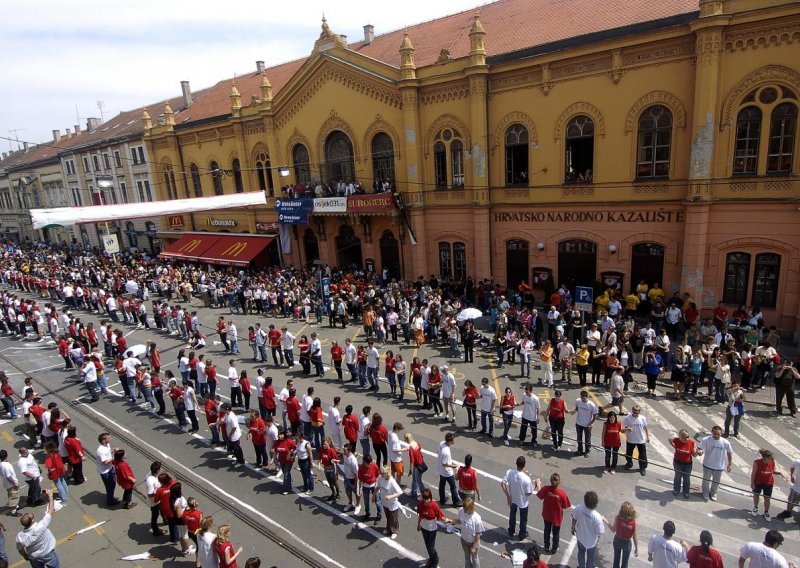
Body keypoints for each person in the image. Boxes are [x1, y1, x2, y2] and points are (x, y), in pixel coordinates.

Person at [15, 489, 60, 568]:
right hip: (47, 553)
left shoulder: (20, 536)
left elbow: (20, 549)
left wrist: (25, 556)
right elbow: (50, 511)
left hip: (33, 557)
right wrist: (50, 496)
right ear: (32, 520)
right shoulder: (40, 526)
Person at [501, 455, 540, 542]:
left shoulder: (510, 472)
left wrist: (508, 496)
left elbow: (503, 484)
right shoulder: (527, 479)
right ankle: (522, 534)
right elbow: (528, 493)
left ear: (516, 463)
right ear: (524, 465)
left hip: (513, 499)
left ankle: (511, 530)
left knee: (512, 515)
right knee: (523, 519)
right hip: (523, 502)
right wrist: (534, 486)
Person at [536, 472, 571, 555]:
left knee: (547, 530)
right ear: (559, 482)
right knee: (556, 533)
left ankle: (546, 546)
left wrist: (538, 484)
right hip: (557, 517)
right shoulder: (562, 493)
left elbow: (539, 495)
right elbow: (565, 506)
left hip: (547, 514)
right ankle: (554, 548)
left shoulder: (546, 489)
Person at [750, 449, 788, 522]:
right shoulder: (757, 462)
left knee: (767, 498)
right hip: (758, 482)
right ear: (764, 458)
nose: (771, 460)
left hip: (768, 482)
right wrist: (752, 483)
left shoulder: (772, 462)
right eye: (769, 458)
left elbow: (772, 471)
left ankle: (766, 512)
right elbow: (753, 473)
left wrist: (781, 473)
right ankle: (755, 507)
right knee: (756, 495)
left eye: (771, 458)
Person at [698, 425, 733, 502]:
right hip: (707, 464)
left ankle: (713, 493)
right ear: (712, 432)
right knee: (706, 480)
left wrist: (729, 464)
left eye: (718, 434)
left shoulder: (725, 442)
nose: (716, 435)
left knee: (716, 482)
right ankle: (705, 492)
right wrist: (699, 452)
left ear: (721, 433)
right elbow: (700, 448)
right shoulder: (706, 440)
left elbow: (729, 452)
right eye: (715, 433)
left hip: (719, 466)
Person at [571, 491, 606, 568]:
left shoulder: (579, 508)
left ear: (585, 500)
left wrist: (573, 527)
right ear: (596, 503)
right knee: (590, 556)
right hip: (591, 542)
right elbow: (600, 531)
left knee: (581, 552)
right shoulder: (597, 517)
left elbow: (574, 518)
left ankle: (581, 566)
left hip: (580, 537)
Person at [417, 488, 446, 568]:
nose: (426, 501)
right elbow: (420, 515)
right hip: (424, 527)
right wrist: (418, 524)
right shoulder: (420, 504)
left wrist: (447, 520)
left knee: (431, 547)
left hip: (432, 529)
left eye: (427, 499)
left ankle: (435, 562)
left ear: (430, 498)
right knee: (427, 545)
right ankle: (431, 558)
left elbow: (440, 516)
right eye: (424, 499)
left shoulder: (434, 506)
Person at [452, 498, 484, 568]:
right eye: (464, 508)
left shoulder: (477, 518)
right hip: (464, 539)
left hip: (473, 541)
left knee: (474, 559)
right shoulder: (461, 511)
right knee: (467, 556)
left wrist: (474, 547)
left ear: (471, 508)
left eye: (466, 509)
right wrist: (454, 521)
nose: (464, 510)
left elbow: (478, 534)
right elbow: (460, 521)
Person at [669, 429, 698, 499]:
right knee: (677, 477)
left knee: (687, 478)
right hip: (677, 462)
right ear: (680, 437)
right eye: (684, 437)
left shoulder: (691, 442)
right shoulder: (676, 440)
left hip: (687, 464)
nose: (686, 439)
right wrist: (674, 446)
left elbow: (694, 455)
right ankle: (676, 490)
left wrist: (698, 453)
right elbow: (669, 439)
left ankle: (686, 492)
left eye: (687, 437)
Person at [376, 466, 403, 539]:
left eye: (384, 473)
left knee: (394, 518)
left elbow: (400, 492)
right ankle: (388, 528)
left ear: (388, 474)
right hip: (385, 502)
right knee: (388, 516)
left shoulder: (392, 481)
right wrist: (373, 495)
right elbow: (378, 487)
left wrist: (390, 497)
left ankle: (395, 530)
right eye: (382, 473)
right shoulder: (380, 478)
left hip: (392, 503)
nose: (382, 474)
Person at [609, 501, 638, 568]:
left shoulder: (618, 518)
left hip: (617, 541)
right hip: (627, 544)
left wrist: (606, 521)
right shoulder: (633, 522)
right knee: (625, 562)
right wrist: (636, 548)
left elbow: (613, 530)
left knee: (616, 559)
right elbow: (635, 538)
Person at [622, 405, 649, 476]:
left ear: (639, 412)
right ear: (632, 411)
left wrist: (647, 437)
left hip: (641, 440)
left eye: (637, 412)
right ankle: (629, 463)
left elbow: (645, 428)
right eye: (634, 412)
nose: (635, 413)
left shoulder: (643, 418)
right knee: (628, 453)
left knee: (643, 455)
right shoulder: (627, 418)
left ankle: (642, 467)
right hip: (631, 439)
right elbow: (624, 429)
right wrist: (627, 429)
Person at [571, 390, 599, 457]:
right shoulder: (578, 401)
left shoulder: (591, 405)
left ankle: (587, 451)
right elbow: (577, 408)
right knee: (579, 438)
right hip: (579, 423)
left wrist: (591, 423)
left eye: (584, 397)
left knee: (587, 439)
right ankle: (579, 450)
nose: (583, 398)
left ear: (587, 396)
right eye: (582, 397)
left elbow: (595, 415)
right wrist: (574, 411)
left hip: (587, 425)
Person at [437, 433, 460, 507]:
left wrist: (452, 461)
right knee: (453, 486)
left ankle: (442, 499)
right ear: (450, 441)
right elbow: (444, 464)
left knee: (442, 484)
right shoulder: (446, 452)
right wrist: (455, 466)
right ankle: (456, 501)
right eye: (453, 440)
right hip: (447, 472)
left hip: (440, 469)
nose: (454, 441)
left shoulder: (442, 443)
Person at [357, 454, 380, 522]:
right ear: (364, 462)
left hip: (374, 485)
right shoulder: (361, 468)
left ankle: (379, 515)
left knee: (378, 502)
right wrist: (359, 490)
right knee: (366, 502)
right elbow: (360, 480)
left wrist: (376, 486)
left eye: (370, 463)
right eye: (368, 463)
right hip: (366, 486)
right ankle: (367, 513)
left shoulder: (374, 465)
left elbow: (378, 475)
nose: (369, 464)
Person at [0, 450, 20, 516]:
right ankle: (13, 511)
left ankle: (15, 506)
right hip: (11, 484)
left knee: (11, 495)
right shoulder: (7, 466)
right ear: (7, 455)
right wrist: (15, 484)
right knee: (14, 497)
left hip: (6, 484)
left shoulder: (1, 464)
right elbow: (9, 477)